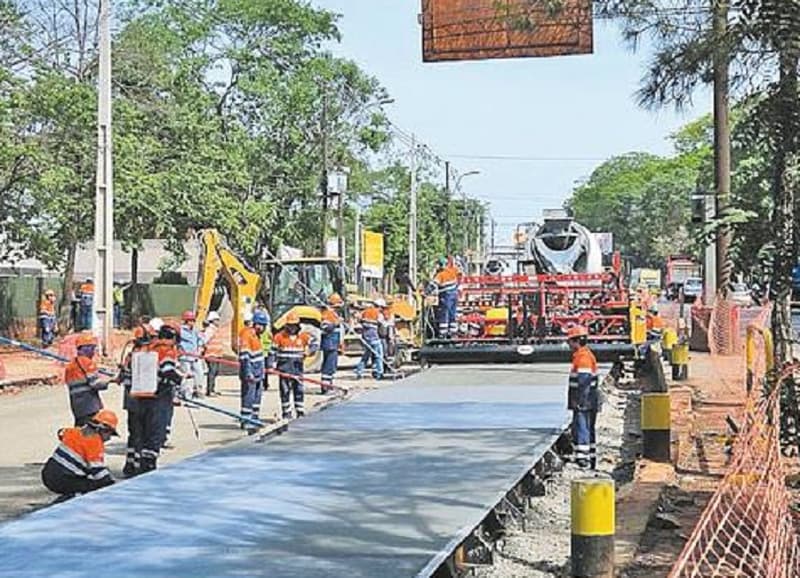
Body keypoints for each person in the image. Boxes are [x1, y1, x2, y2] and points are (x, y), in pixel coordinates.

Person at [41, 409, 118, 498]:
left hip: (48, 473)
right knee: (96, 485)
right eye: (109, 433)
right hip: (62, 479)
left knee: (84, 478)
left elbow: (61, 432)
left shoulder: (75, 431)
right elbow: (98, 471)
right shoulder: (95, 442)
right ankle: (69, 499)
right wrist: (112, 484)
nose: (109, 438)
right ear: (102, 429)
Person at [119, 318, 161, 477]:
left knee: (133, 433)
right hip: (145, 400)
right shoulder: (149, 356)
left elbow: (122, 376)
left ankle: (130, 465)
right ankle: (139, 466)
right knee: (144, 433)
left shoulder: (131, 355)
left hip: (131, 400)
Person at [567, 326, 600, 470]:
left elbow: (584, 380)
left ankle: (582, 458)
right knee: (587, 426)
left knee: (582, 426)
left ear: (577, 341)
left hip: (584, 399)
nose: (569, 345)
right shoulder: (584, 355)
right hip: (587, 398)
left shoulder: (583, 357)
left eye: (570, 342)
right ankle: (590, 456)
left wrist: (581, 401)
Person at [272, 312, 315, 420]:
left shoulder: (303, 337)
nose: (292, 328)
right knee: (285, 391)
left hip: (297, 369)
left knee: (299, 390)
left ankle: (299, 410)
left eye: (294, 325)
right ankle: (286, 412)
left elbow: (315, 343)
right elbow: (272, 352)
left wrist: (309, 351)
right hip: (284, 369)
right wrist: (272, 365)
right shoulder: (279, 337)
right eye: (290, 325)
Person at [150, 323, 183, 458]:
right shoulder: (166, 350)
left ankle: (155, 438)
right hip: (162, 388)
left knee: (153, 416)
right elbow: (167, 370)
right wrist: (180, 379)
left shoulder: (152, 347)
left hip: (151, 387)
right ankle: (158, 440)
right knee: (162, 416)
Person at [64, 333, 110, 427]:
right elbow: (96, 384)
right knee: (90, 432)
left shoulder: (71, 365)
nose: (93, 351)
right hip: (89, 405)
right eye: (92, 348)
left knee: (80, 430)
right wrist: (110, 381)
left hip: (77, 405)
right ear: (86, 348)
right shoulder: (87, 363)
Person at [238, 310, 268, 432]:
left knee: (257, 397)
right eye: (262, 325)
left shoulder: (257, 336)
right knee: (248, 397)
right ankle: (246, 420)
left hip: (258, 372)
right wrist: (248, 372)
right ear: (256, 324)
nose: (263, 328)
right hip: (250, 373)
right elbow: (245, 357)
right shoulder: (247, 335)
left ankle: (254, 417)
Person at [355, 300, 385, 381]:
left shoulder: (365, 312)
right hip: (374, 337)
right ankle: (379, 372)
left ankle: (359, 372)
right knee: (379, 355)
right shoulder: (378, 314)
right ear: (379, 306)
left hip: (365, 337)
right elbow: (381, 323)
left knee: (366, 356)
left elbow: (359, 319)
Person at [320, 293, 343, 394]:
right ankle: (326, 387)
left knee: (332, 365)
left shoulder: (334, 314)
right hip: (329, 343)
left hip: (334, 343)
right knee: (329, 366)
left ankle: (329, 384)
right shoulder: (327, 313)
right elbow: (325, 327)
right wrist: (335, 324)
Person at [178, 310, 204, 399]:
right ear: (186, 321)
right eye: (190, 320)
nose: (192, 322)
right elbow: (177, 343)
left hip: (195, 356)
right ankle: (186, 393)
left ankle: (198, 391)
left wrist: (200, 349)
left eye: (193, 320)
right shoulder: (180, 331)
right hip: (185, 357)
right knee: (186, 375)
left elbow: (200, 340)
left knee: (199, 373)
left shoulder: (195, 331)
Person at [433, 257, 460, 338]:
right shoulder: (453, 271)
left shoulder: (441, 275)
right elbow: (459, 273)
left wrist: (425, 293)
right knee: (453, 314)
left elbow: (433, 285)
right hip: (454, 296)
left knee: (444, 314)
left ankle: (443, 335)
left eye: (438, 265)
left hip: (445, 297)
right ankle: (453, 334)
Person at [202, 311, 224, 397]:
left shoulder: (215, 329)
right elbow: (205, 340)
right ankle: (209, 390)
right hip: (211, 354)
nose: (218, 321)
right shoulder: (210, 330)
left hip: (217, 354)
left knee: (215, 372)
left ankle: (212, 389)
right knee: (212, 372)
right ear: (212, 320)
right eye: (217, 320)